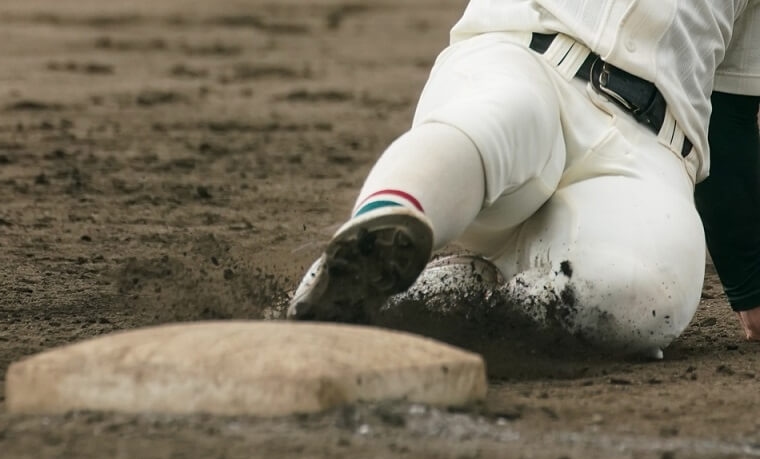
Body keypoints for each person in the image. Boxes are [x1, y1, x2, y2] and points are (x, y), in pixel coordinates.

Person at [287, 0, 760, 356]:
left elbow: (730, 119)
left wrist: (751, 286)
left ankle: (452, 300)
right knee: (498, 119)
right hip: (525, 59)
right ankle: (375, 232)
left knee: (645, 292)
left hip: (649, 155)